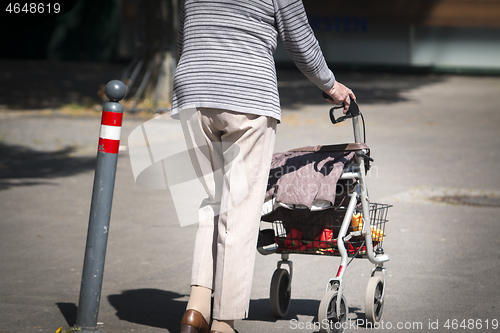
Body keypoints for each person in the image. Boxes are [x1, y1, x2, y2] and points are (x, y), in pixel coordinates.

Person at [170, 1, 355, 332]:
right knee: (239, 210)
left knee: (209, 202)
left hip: (193, 89)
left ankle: (195, 309)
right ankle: (223, 322)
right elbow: (299, 37)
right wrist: (331, 85)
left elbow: (185, 28)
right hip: (247, 92)